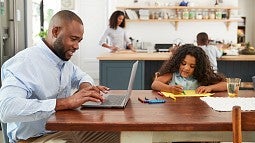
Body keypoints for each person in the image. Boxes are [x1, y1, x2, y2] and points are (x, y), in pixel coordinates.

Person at [0, 10, 119, 143]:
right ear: (55, 32)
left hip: (63, 130)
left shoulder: (62, 60)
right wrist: (66, 102)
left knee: (118, 135)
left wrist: (86, 89)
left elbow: (82, 76)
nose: (77, 46)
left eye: (79, 41)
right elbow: (6, 109)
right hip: (35, 138)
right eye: (73, 39)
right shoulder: (24, 62)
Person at [151, 44, 227, 94]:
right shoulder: (173, 74)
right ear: (178, 62)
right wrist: (170, 89)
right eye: (183, 63)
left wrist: (210, 88)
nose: (186, 68)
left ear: (198, 67)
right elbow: (155, 84)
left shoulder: (201, 76)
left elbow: (226, 85)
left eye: (192, 66)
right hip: (174, 108)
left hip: (195, 109)